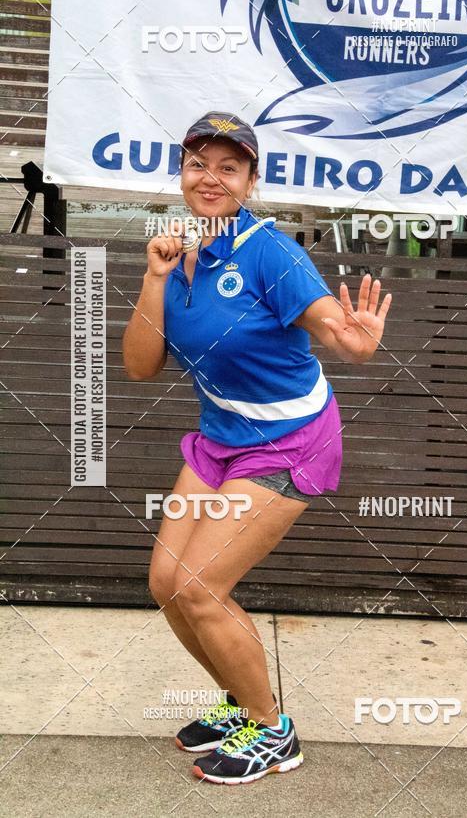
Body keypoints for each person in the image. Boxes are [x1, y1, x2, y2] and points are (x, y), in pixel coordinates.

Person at [122, 111, 392, 785]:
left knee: (199, 586)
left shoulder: (270, 252)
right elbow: (138, 367)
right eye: (198, 163)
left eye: (229, 166)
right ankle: (239, 703)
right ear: (182, 173)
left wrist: (347, 336)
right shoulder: (175, 253)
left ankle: (272, 731)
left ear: (249, 180)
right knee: (165, 584)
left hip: (290, 442)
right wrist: (154, 279)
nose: (211, 177)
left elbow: (329, 319)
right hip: (221, 440)